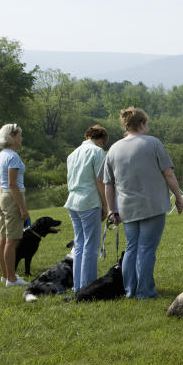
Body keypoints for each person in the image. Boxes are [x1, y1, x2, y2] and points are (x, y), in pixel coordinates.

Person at [103, 107, 183, 299]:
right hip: (152, 205)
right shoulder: (153, 143)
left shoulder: (113, 149)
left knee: (131, 248)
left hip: (127, 208)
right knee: (147, 248)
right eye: (146, 123)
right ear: (142, 123)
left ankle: (130, 290)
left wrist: (111, 210)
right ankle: (145, 291)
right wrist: (178, 196)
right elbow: (168, 173)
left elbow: (108, 184)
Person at [65, 125, 110, 292]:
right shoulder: (97, 152)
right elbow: (100, 181)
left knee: (79, 245)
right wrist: (106, 205)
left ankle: (78, 285)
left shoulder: (72, 154)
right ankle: (88, 286)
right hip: (89, 201)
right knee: (91, 246)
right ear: (101, 140)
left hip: (73, 201)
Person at [0, 124, 30, 287]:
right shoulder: (13, 157)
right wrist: (22, 208)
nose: (21, 139)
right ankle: (12, 278)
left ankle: (5, 274)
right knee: (12, 239)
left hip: (2, 195)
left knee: (3, 237)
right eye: (20, 135)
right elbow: (13, 184)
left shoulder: (1, 155)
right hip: (12, 195)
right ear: (12, 136)